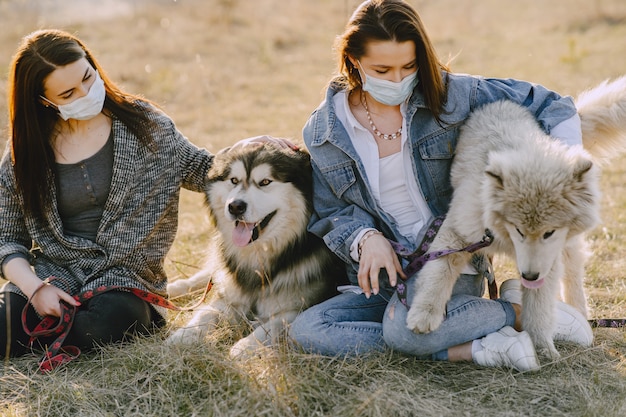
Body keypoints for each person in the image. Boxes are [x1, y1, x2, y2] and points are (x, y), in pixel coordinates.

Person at [289, 0, 592, 372]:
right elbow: (330, 211)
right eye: (382, 70)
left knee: (404, 331)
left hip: (447, 261)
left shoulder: (454, 95)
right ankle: (480, 343)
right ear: (353, 61)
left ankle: (516, 313)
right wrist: (364, 238)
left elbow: (553, 105)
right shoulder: (324, 133)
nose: (399, 81)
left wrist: (563, 174)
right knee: (308, 329)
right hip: (382, 273)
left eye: (409, 66)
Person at [0, 29, 285, 362]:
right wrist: (36, 290)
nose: (87, 93)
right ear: (43, 102)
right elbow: (7, 238)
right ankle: (48, 330)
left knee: (109, 322)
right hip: (54, 275)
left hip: (124, 279)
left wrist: (247, 149)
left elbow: (203, 169)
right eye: (68, 94)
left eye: (88, 78)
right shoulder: (24, 153)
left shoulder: (147, 126)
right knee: (4, 325)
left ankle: (64, 332)